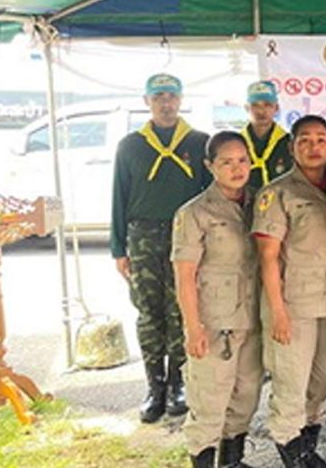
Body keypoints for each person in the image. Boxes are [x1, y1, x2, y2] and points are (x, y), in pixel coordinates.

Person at [111, 72, 209, 423]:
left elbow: (210, 198)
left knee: (182, 310)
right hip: (143, 237)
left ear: (180, 100)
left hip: (186, 235)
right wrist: (118, 248)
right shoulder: (130, 145)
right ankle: (155, 386)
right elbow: (119, 197)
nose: (165, 103)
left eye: (171, 96)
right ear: (147, 102)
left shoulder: (199, 142)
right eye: (158, 97)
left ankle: (179, 383)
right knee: (149, 312)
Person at [253, 115, 326, 468]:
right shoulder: (276, 193)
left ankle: (308, 449)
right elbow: (268, 257)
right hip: (293, 306)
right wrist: (278, 312)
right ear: (291, 147)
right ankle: (293, 453)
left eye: (321, 139)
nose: (313, 147)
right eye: (304, 140)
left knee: (323, 382)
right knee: (291, 385)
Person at [172, 131, 263, 468]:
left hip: (253, 318)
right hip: (214, 323)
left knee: (245, 397)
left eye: (242, 160)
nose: (236, 169)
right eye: (226, 162)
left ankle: (232, 462)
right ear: (210, 165)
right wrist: (193, 328)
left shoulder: (261, 203)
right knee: (209, 403)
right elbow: (184, 276)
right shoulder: (194, 213)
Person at [242, 80, 293, 189]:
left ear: (276, 108)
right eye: (255, 105)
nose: (261, 111)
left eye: (267, 105)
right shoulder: (237, 143)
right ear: (246, 108)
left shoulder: (289, 142)